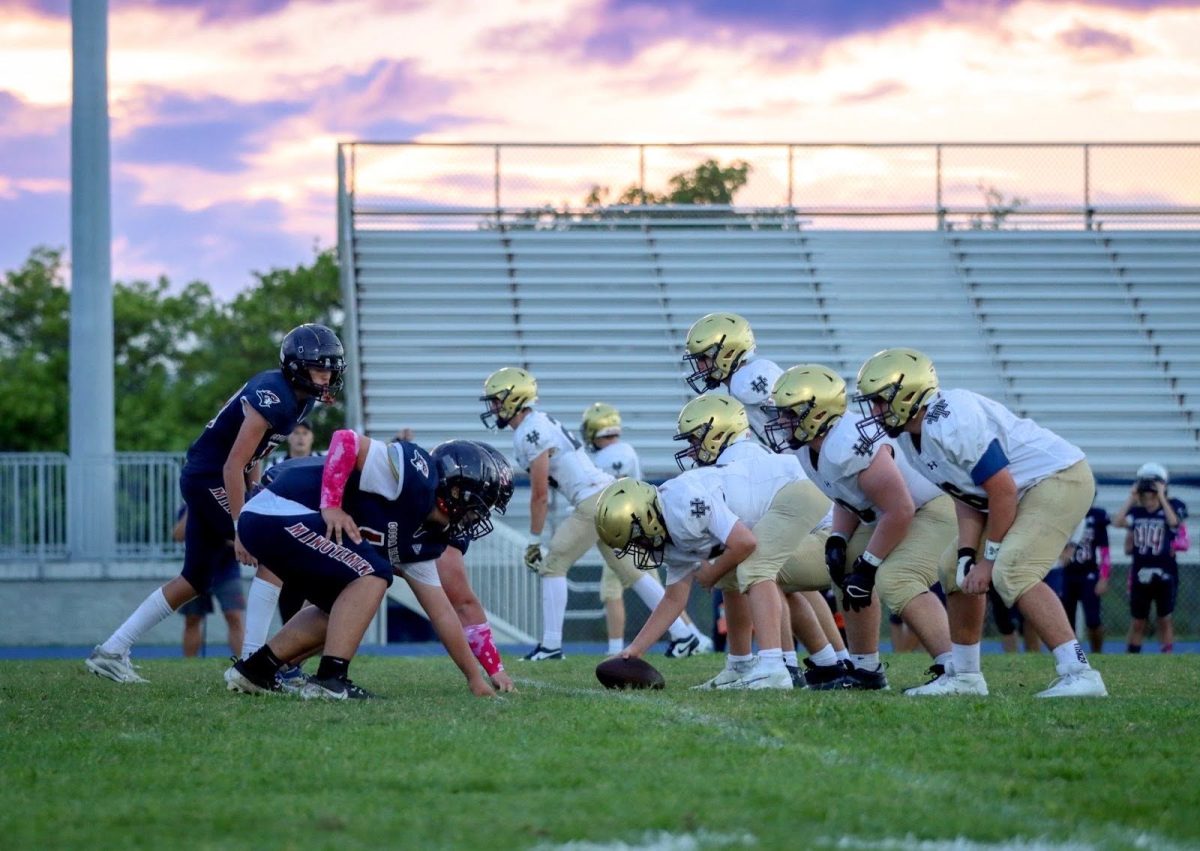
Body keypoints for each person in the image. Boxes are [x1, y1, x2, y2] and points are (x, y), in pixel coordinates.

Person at [85, 323, 343, 683]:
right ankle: (254, 664)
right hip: (211, 477)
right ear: (297, 366)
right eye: (319, 368)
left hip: (211, 477)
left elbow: (253, 458)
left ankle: (112, 650)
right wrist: (243, 526)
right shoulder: (274, 394)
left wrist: (257, 497)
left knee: (194, 579)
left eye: (331, 369)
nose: (326, 376)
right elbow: (233, 463)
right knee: (274, 553)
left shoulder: (301, 400)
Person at [853, 348, 1106, 698]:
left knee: (1011, 570)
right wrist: (968, 553)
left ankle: (1079, 671)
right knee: (953, 568)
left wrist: (988, 559)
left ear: (908, 394)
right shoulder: (914, 435)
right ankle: (966, 677)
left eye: (880, 401)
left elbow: (1001, 490)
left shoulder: (951, 421)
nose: (875, 411)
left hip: (1056, 477)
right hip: (1011, 492)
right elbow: (967, 495)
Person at [226, 437, 507, 698]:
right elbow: (345, 440)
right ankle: (330, 681)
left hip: (281, 524)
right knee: (375, 573)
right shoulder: (415, 479)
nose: (477, 517)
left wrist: (475, 678)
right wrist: (332, 505)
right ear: (457, 490)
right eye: (479, 506)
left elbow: (443, 613)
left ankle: (255, 671)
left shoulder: (426, 539)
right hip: (276, 511)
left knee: (340, 610)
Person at [480, 368, 698, 660]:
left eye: (496, 400)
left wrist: (534, 539)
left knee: (553, 563)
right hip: (604, 495)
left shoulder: (531, 431)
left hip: (592, 499)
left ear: (514, 398)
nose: (493, 407)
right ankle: (685, 635)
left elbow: (540, 493)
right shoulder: (536, 424)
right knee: (632, 572)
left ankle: (551, 645)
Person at [765, 363, 957, 692]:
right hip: (887, 512)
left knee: (898, 577)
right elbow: (847, 494)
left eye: (789, 414)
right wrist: (838, 538)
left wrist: (869, 566)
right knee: (846, 570)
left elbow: (900, 508)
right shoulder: (808, 446)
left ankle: (955, 668)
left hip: (934, 506)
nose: (781, 422)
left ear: (818, 413)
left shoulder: (849, 443)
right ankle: (866, 669)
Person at [682, 313, 846, 664]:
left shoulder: (750, 379)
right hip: (793, 481)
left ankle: (786, 660)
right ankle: (835, 656)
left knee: (765, 570)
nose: (699, 366)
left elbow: (790, 418)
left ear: (727, 351)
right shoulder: (739, 381)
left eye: (704, 356)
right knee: (790, 580)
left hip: (792, 485)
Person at [668, 394, 834, 689]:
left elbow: (751, 546)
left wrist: (712, 573)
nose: (692, 451)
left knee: (755, 568)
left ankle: (784, 664)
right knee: (744, 569)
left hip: (824, 538)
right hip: (812, 534)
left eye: (695, 440)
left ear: (719, 433)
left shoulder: (741, 461)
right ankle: (820, 662)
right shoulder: (741, 456)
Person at [582, 402, 710, 657]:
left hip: (625, 529)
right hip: (637, 525)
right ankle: (694, 635)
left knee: (617, 590)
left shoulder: (606, 457)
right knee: (658, 590)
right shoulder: (624, 451)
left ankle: (621, 646)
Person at [1114, 462, 1188, 654]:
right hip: (1140, 571)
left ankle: (1167, 655)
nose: (1149, 490)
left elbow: (1174, 522)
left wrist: (1162, 497)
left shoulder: (1174, 505)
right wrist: (1131, 497)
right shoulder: (1136, 511)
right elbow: (1118, 521)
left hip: (1166, 571)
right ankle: (1132, 656)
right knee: (1138, 620)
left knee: (1165, 617)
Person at [172, 507, 245, 658]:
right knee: (192, 618)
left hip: (227, 571)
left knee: (234, 616)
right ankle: (189, 665)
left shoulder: (231, 507)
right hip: (197, 570)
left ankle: (243, 664)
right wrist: (193, 507)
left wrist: (219, 537)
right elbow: (178, 535)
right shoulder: (188, 508)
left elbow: (241, 540)